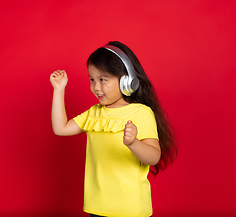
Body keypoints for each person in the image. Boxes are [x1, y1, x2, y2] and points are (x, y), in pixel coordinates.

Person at [50, 41, 177, 217]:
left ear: (127, 81)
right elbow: (60, 128)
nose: (96, 87)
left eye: (103, 79)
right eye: (92, 79)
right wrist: (58, 90)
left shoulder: (141, 112)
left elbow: (154, 157)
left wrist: (133, 143)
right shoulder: (94, 114)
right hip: (97, 207)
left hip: (130, 210)